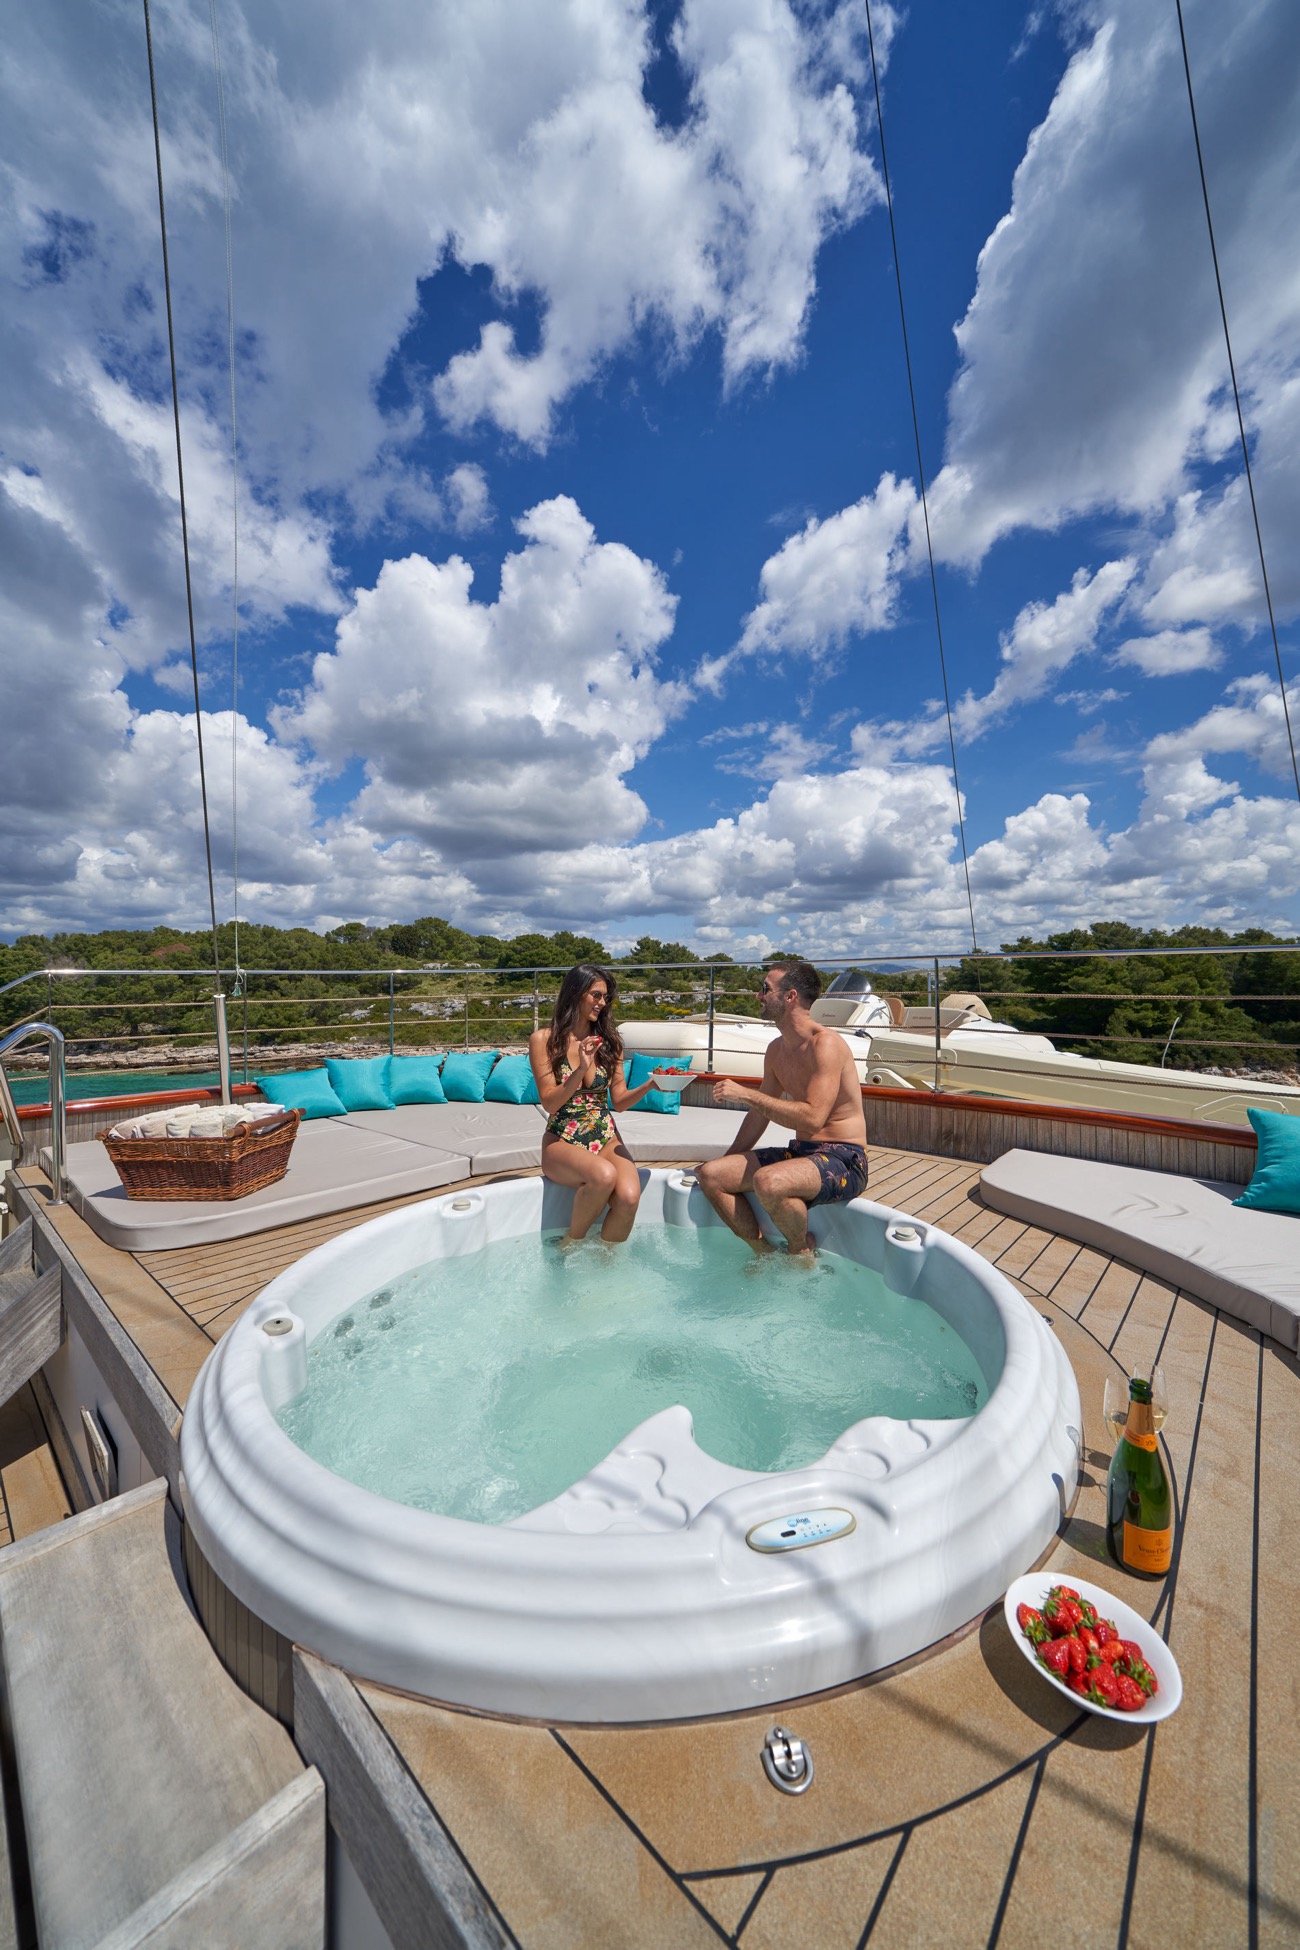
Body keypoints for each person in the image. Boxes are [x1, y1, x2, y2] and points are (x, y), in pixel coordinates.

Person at [695, 961, 868, 1256]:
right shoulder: (776, 1050)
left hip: (845, 1158)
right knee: (712, 1175)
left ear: (790, 997)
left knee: (768, 1181)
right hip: (801, 1153)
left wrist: (747, 1095)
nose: (758, 995)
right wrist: (729, 1159)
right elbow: (759, 1115)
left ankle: (800, 1252)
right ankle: (762, 1252)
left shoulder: (825, 1045)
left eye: (765, 989)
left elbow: (813, 1119)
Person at [529, 963, 661, 1244]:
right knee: (603, 1176)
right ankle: (570, 1245)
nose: (602, 1003)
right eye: (596, 995)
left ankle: (606, 1260)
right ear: (575, 993)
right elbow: (550, 1103)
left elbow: (620, 1102)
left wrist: (651, 1085)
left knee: (629, 1197)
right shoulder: (544, 1040)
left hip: (605, 1136)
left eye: (605, 997)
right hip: (562, 1139)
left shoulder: (611, 1043)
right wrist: (580, 1069)